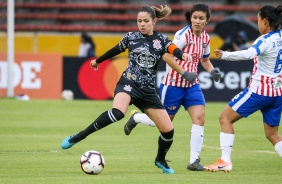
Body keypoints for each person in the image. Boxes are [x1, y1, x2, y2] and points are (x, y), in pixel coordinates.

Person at [61, 5, 196, 174]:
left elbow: (172, 49)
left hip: (147, 91)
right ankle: (79, 136)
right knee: (118, 113)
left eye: (146, 21)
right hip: (128, 83)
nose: (142, 24)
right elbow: (115, 50)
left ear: (154, 21)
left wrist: (182, 55)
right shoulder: (131, 37)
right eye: (139, 21)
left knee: (168, 131)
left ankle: (160, 160)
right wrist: (98, 61)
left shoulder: (161, 40)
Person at [123, 4, 222, 171]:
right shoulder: (183, 35)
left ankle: (193, 161)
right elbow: (167, 56)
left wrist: (213, 71)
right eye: (194, 17)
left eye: (201, 18)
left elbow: (204, 60)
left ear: (207, 20)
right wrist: (183, 73)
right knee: (162, 123)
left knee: (200, 117)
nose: (197, 21)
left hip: (192, 85)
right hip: (173, 85)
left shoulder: (205, 38)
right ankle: (137, 118)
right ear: (190, 18)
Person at [204, 5, 282, 172]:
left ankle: (225, 161)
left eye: (259, 20)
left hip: (259, 91)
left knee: (225, 118)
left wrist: (226, 54)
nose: (258, 24)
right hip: (277, 92)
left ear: (266, 21)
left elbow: (248, 54)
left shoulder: (264, 40)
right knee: (272, 134)